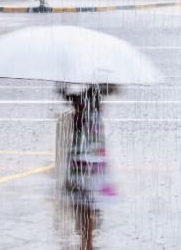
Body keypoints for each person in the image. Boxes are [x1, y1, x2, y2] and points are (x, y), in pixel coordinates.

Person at [60, 83, 118, 250]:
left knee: (83, 201)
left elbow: (69, 98)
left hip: (84, 156)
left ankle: (87, 242)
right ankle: (87, 241)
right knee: (86, 202)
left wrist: (64, 89)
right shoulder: (95, 98)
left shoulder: (86, 100)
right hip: (91, 155)